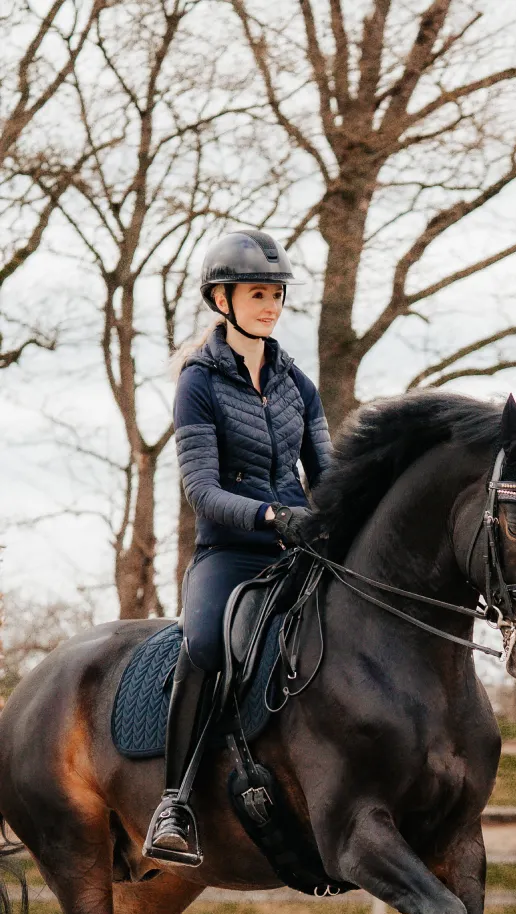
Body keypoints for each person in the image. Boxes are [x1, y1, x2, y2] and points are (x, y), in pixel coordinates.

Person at [143, 228, 332, 865]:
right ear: (221, 300)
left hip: (299, 550)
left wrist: (337, 519)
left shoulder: (297, 384)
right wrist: (270, 514)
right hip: (231, 551)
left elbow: (328, 475)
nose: (271, 305)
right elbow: (201, 489)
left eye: (276, 294)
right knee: (202, 644)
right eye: (257, 294)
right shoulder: (198, 382)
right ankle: (174, 803)